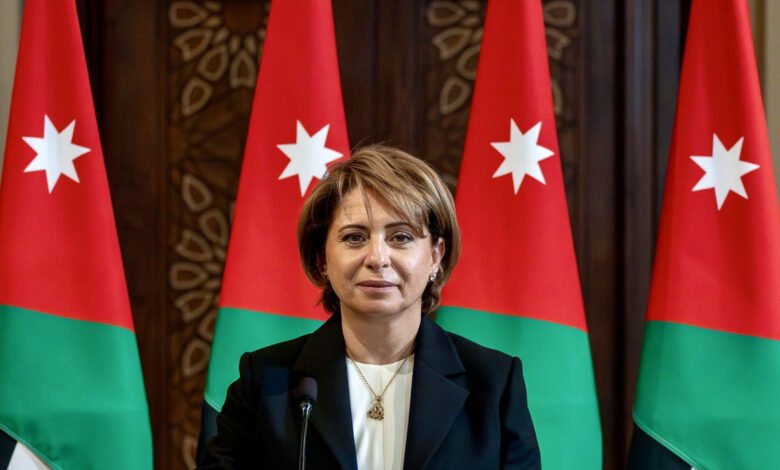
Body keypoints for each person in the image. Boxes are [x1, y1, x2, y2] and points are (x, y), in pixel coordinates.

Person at [199, 145, 540, 469]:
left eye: (401, 237)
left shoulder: (493, 383)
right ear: (322, 259)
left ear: (435, 255)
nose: (377, 258)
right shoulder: (266, 380)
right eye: (355, 237)